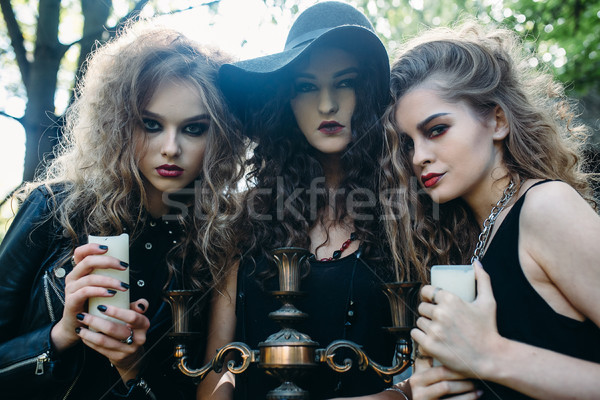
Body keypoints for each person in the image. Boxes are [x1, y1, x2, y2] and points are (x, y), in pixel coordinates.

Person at [0, 21, 244, 399]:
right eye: (150, 124)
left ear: (222, 137)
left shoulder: (217, 248)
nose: (170, 148)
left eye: (194, 129)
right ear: (117, 124)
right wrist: (60, 335)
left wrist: (134, 370)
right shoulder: (52, 209)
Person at [197, 2, 416, 399]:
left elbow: (435, 372)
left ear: (369, 94)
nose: (327, 104)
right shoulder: (245, 220)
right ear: (287, 101)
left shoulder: (407, 216)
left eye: (345, 83)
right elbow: (216, 369)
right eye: (306, 86)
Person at [381, 20, 600, 400]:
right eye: (407, 143)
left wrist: (491, 355)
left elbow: (493, 358)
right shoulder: (474, 236)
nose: (419, 157)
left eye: (436, 130)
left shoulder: (546, 207)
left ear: (497, 120)